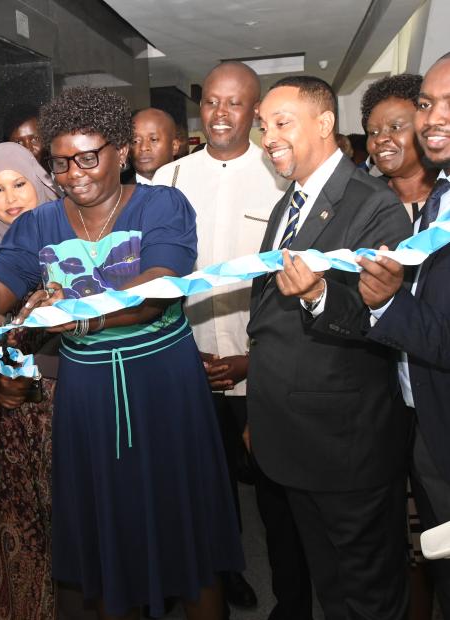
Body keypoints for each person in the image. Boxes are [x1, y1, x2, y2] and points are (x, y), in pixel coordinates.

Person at [0, 86, 244, 620]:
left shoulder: (162, 204)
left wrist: (76, 313)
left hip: (164, 389)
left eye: (88, 157)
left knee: (188, 541)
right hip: (88, 397)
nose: (74, 173)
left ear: (120, 150)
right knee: (106, 545)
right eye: (61, 162)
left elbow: (157, 289)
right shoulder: (36, 226)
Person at [249, 75, 413, 620]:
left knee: (369, 594)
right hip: (292, 438)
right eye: (264, 126)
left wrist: (318, 295)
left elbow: (378, 317)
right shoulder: (289, 203)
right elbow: (267, 321)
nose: (269, 136)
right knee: (332, 589)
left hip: (346, 448)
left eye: (282, 122)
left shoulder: (374, 206)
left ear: (324, 123)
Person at [153, 60, 298, 619]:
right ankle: (223, 570)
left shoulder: (281, 176)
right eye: (211, 101)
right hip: (185, 361)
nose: (220, 113)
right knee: (198, 486)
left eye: (234, 103)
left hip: (258, 364)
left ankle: (292, 597)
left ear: (255, 111)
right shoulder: (170, 179)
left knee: (275, 492)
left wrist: (250, 361)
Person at [356, 51, 450, 620]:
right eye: (427, 105)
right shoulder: (440, 196)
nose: (432, 118)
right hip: (411, 409)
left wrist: (386, 301)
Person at [0, 142, 59, 620]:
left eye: (19, 184)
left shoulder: (71, 233)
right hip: (10, 406)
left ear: (40, 181)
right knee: (21, 523)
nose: (9, 198)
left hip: (72, 396)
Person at [362, 73, 438, 222]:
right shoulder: (363, 202)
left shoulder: (445, 199)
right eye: (373, 132)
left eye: (395, 127)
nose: (380, 139)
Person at [128, 108, 179, 184]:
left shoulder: (195, 186)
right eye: (135, 141)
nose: (143, 148)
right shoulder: (117, 193)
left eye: (153, 139)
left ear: (174, 146)